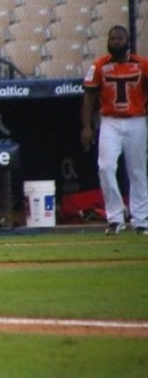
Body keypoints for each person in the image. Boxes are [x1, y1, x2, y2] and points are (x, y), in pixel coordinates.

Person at [80, 25, 148, 235]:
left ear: (127, 41)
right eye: (112, 39)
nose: (116, 42)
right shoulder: (99, 65)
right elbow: (89, 97)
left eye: (120, 39)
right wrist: (87, 127)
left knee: (137, 170)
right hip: (109, 120)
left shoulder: (142, 64)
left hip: (136, 119)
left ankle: (141, 218)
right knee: (106, 167)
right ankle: (115, 217)